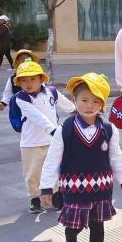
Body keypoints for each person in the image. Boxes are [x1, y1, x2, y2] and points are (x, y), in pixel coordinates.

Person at [39, 73, 122, 242]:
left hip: (102, 190)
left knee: (97, 226)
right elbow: (52, 160)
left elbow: (116, 158)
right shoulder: (65, 129)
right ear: (74, 100)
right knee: (73, 226)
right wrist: (46, 187)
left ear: (102, 103)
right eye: (84, 100)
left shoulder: (109, 129)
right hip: (73, 190)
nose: (89, 105)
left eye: (95, 101)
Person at [12, 58, 75, 214]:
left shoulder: (51, 91)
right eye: (24, 80)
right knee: (33, 172)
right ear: (19, 82)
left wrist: (78, 114)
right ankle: (34, 198)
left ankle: (54, 196)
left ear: (41, 79)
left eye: (33, 79)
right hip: (31, 142)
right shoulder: (22, 98)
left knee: (53, 169)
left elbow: (67, 105)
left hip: (51, 140)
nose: (28, 83)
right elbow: (37, 116)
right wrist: (54, 130)